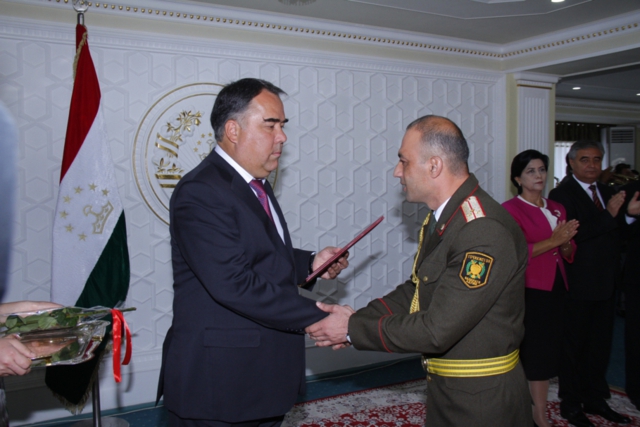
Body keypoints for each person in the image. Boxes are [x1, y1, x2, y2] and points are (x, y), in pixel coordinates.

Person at [307, 115, 531, 427]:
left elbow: (437, 330)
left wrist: (351, 329)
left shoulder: (482, 231)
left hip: (482, 401)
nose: (397, 172)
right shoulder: (447, 218)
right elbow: (416, 290)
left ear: (434, 166)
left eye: (404, 161)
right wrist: (356, 321)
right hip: (450, 389)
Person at [156, 78, 349, 427]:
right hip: (220, 384)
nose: (282, 137)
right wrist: (319, 316)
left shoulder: (254, 183)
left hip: (258, 378)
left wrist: (310, 263)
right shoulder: (201, 190)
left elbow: (257, 254)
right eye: (270, 125)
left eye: (282, 126)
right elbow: (232, 282)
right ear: (233, 130)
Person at [548, 140, 640, 427]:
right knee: (574, 346)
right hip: (578, 283)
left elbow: (619, 234)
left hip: (607, 282)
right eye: (585, 159)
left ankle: (595, 399)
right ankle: (571, 404)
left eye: (597, 160)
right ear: (571, 163)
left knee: (600, 346)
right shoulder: (561, 194)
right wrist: (609, 214)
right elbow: (573, 236)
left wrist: (628, 215)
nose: (592, 165)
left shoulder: (608, 191)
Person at [502, 150, 578, 427]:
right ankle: (536, 414)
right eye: (531, 171)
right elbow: (517, 252)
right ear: (517, 179)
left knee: (549, 349)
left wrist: (565, 242)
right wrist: (556, 239)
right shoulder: (510, 209)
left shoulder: (557, 208)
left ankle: (538, 410)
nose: (539, 176)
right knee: (535, 350)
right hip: (529, 288)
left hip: (558, 285)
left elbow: (569, 252)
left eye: (542, 170)